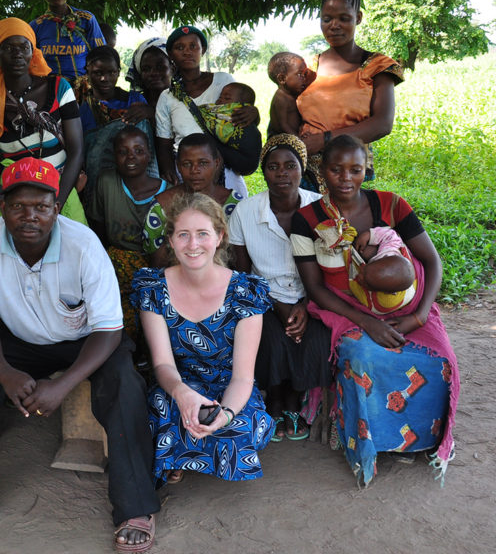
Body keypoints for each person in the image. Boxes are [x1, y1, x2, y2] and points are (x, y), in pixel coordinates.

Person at [0, 157, 160, 554]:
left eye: (40, 206)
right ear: (3, 206)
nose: (29, 216)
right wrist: (4, 373)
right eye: (18, 206)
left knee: (124, 382)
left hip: (86, 341)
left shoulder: (84, 244)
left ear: (56, 207)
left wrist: (64, 384)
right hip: (19, 338)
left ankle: (134, 507)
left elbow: (109, 330)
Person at [290, 135, 460, 486]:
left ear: (366, 169)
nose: (345, 178)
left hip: (407, 305)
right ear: (322, 171)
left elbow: (432, 261)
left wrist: (421, 316)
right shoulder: (306, 220)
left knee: (440, 360)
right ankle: (369, 440)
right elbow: (316, 288)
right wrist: (366, 321)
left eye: (355, 169)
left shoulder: (392, 205)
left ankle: (426, 439)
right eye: (336, 169)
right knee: (362, 354)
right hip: (343, 307)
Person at [132, 192, 273, 486]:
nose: (193, 245)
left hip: (227, 385)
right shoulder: (154, 288)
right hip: (177, 384)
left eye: (202, 234)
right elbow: (162, 364)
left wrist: (226, 413)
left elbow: (243, 378)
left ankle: (178, 454)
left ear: (220, 237)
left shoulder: (244, 293)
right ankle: (185, 450)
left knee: (239, 426)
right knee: (160, 411)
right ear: (170, 240)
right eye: (183, 235)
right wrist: (183, 395)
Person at [228, 134, 331, 441]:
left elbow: (331, 269)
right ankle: (275, 398)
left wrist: (306, 305)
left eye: (290, 166)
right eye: (273, 167)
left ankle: (297, 398)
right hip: (265, 297)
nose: (282, 173)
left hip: (314, 295)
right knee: (269, 337)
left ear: (302, 170)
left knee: (314, 339)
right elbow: (243, 275)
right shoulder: (246, 212)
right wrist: (274, 304)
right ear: (263, 172)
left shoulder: (321, 209)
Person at [291, 0, 404, 190]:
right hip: (305, 174)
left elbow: (382, 124)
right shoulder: (308, 68)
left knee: (345, 222)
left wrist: (323, 140)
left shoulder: (377, 66)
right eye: (327, 19)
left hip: (349, 174)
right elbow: (287, 109)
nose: (334, 25)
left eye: (344, 18)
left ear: (358, 18)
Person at [0, 17, 86, 224]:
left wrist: (57, 203)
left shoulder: (58, 88)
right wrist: (7, 205)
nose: (17, 53)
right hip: (13, 196)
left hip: (59, 189)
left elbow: (76, 150)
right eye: (8, 47)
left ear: (33, 52)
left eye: (23, 46)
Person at [86, 126, 166, 357]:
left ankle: (150, 360)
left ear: (149, 155)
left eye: (138, 151)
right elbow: (98, 229)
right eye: (123, 152)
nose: (131, 157)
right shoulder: (107, 182)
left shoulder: (167, 191)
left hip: (154, 265)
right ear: (114, 156)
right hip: (115, 263)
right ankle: (126, 360)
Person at [154, 26, 260, 197]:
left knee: (229, 217)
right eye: (179, 48)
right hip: (188, 173)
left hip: (225, 168)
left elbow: (239, 112)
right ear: (171, 55)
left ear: (202, 50)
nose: (187, 52)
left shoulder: (223, 81)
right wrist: (169, 173)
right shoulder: (167, 97)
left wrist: (253, 112)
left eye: (193, 46)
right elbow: (164, 142)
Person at [142, 132, 243, 266]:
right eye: (187, 164)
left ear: (217, 163)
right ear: (178, 166)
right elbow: (157, 264)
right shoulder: (161, 207)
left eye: (203, 163)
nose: (195, 170)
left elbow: (241, 261)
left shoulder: (235, 205)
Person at [78, 45, 157, 195]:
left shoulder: (135, 100)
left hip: (136, 170)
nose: (104, 78)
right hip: (98, 177)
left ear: (118, 72)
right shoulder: (81, 107)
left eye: (111, 72)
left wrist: (150, 113)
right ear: (87, 71)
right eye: (97, 73)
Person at [28, 0, 105, 89]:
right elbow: (31, 65)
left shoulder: (87, 19)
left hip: (84, 92)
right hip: (50, 93)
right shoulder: (35, 26)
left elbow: (102, 55)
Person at [266, 51, 315, 137]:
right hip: (280, 138)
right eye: (299, 74)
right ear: (282, 78)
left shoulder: (294, 93)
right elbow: (283, 125)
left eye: (305, 73)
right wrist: (297, 139)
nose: (304, 78)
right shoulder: (281, 99)